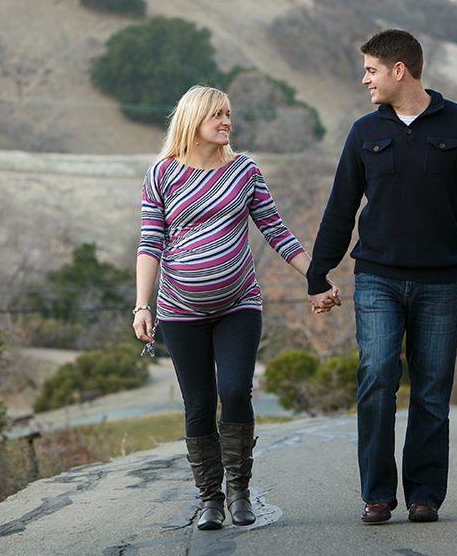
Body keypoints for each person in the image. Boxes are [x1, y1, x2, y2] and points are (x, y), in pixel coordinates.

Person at [307, 29, 457, 524]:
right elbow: (340, 208)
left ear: (399, 70)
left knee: (431, 390)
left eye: (371, 70)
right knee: (377, 376)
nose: (365, 80)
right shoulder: (363, 132)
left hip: (443, 280)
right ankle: (377, 493)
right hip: (376, 276)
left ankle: (424, 495)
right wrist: (319, 274)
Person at [133, 85, 338, 531]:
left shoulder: (245, 171)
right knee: (199, 404)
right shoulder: (162, 174)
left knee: (234, 390)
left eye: (229, 114)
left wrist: (315, 278)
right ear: (194, 121)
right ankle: (209, 499)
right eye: (218, 115)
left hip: (238, 304)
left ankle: (239, 491)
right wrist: (140, 307)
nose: (227, 122)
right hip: (179, 311)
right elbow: (150, 243)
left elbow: (276, 230)